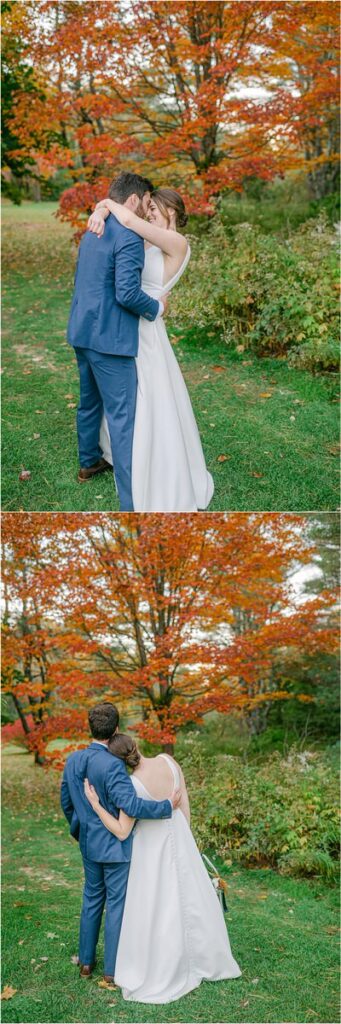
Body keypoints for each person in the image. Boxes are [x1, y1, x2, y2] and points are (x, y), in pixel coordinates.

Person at [84, 732, 241, 1003]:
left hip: (151, 850)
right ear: (136, 745)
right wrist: (185, 838)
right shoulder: (169, 761)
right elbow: (185, 802)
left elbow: (122, 831)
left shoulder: (132, 785)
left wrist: (96, 805)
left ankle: (167, 964)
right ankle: (208, 959)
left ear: (118, 762)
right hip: (181, 839)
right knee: (193, 900)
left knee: (159, 906)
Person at [87, 188, 214, 512]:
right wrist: (100, 212)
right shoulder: (149, 241)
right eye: (149, 208)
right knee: (127, 395)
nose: (150, 213)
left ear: (171, 211)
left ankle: (157, 466)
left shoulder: (177, 242)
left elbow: (129, 219)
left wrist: (109, 203)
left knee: (151, 398)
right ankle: (126, 454)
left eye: (154, 208)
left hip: (148, 330)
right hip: (130, 324)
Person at [67, 172, 167, 512]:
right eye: (147, 202)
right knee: (123, 419)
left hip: (82, 331)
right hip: (110, 340)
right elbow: (127, 293)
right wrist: (156, 308)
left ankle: (88, 461)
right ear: (134, 199)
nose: (146, 211)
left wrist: (102, 208)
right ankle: (132, 501)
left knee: (89, 402)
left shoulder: (93, 228)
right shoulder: (129, 236)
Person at [60, 703, 181, 982]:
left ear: (91, 728)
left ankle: (86, 963)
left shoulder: (73, 760)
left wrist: (81, 830)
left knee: (92, 899)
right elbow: (131, 805)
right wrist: (166, 806)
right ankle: (111, 971)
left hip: (89, 845)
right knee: (116, 905)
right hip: (116, 847)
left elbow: (67, 803)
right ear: (116, 729)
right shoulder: (114, 764)